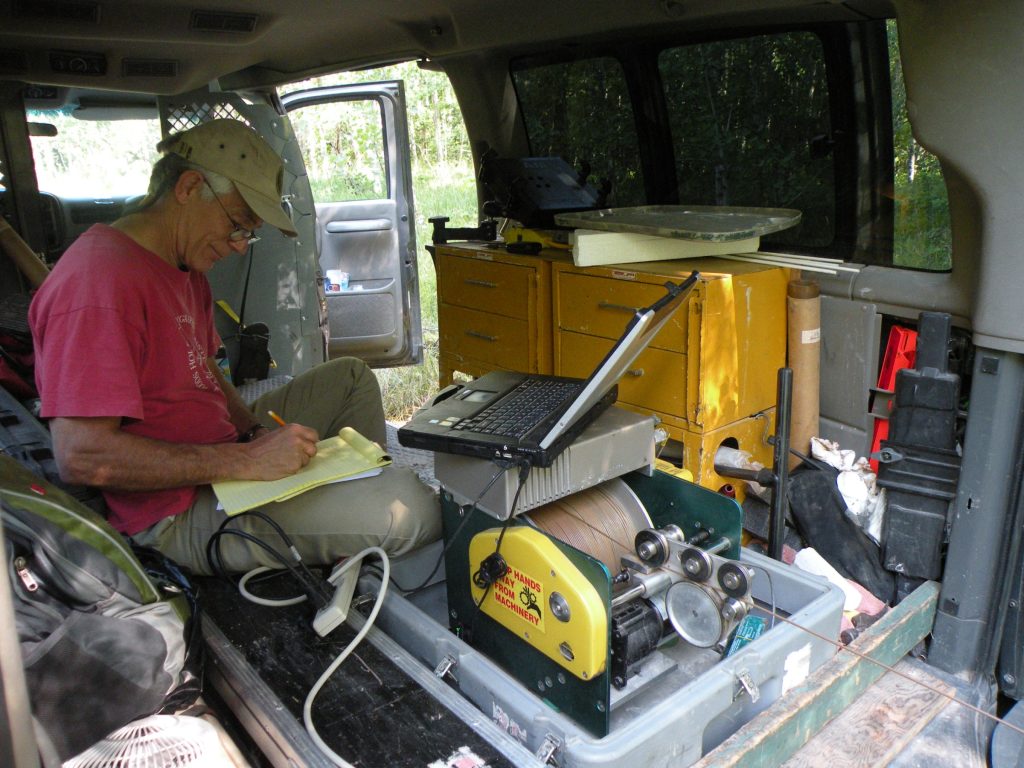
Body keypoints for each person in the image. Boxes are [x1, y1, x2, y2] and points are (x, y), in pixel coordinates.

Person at [29, 118, 440, 574]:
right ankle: (358, 520)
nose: (241, 247)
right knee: (413, 509)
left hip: (222, 457)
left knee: (350, 378)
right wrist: (245, 461)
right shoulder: (97, 285)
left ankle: (350, 506)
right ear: (189, 187)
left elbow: (204, 371)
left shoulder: (181, 266)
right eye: (238, 225)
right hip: (176, 512)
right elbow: (82, 456)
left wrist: (252, 434)